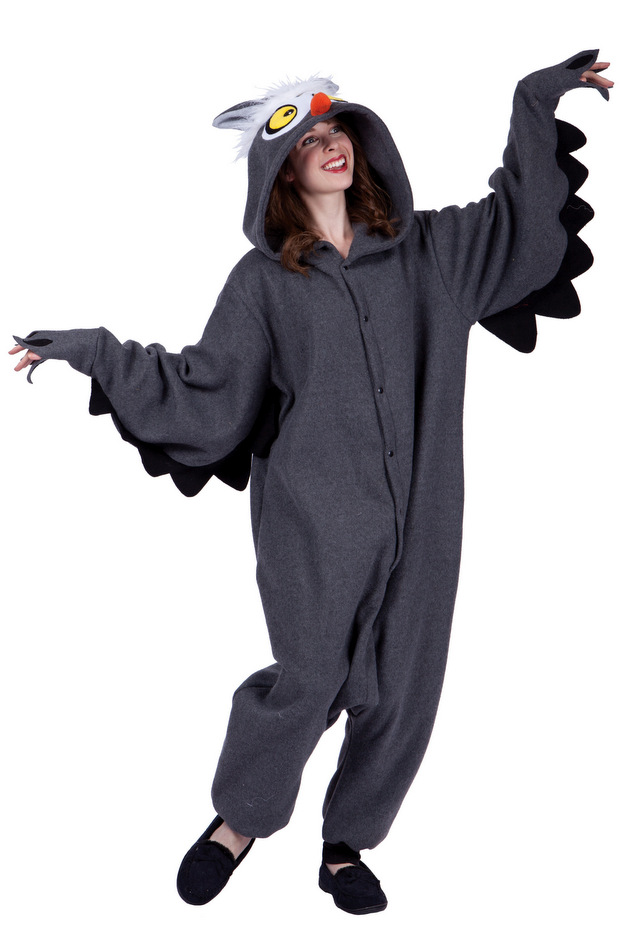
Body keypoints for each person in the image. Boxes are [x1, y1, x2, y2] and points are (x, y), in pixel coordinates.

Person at [10, 51, 613, 915]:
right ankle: (240, 820)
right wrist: (96, 352)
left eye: (337, 131)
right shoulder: (263, 285)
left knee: (405, 685)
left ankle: (346, 846)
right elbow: (208, 387)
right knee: (310, 675)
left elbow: (520, 221)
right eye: (306, 142)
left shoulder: (431, 254)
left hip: (427, 512)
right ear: (280, 174)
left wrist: (533, 100)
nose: (330, 146)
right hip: (312, 518)